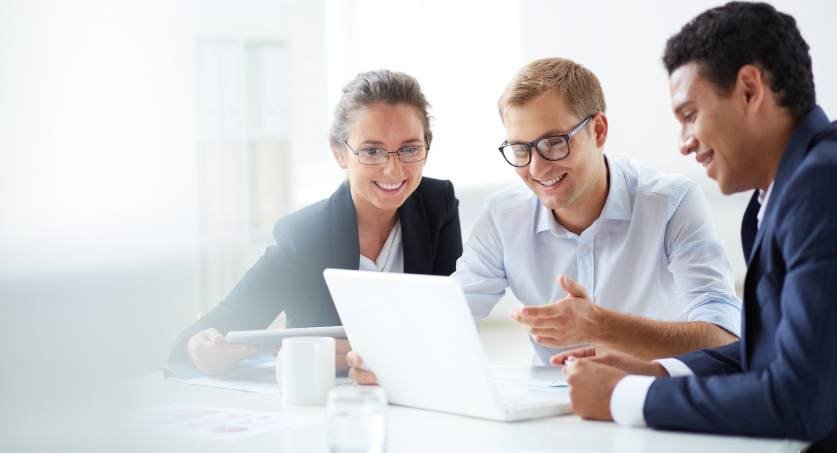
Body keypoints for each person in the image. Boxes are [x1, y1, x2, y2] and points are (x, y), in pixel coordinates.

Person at [347, 57, 741, 383]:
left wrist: (601, 326)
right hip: (554, 408)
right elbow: (451, 315)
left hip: (656, 402)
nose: (537, 167)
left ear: (599, 130)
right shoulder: (504, 216)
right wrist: (382, 359)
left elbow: (725, 339)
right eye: (520, 149)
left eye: (554, 142)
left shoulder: (670, 203)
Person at [556, 2, 837, 450]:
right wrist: (657, 370)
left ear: (749, 89)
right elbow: (771, 357)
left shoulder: (820, 185)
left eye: (689, 114)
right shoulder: (779, 193)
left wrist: (625, 397)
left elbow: (802, 399)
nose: (685, 144)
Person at [169, 69, 463, 376]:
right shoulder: (306, 235)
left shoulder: (436, 204)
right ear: (339, 153)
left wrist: (374, 350)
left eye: (409, 149)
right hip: (326, 404)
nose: (393, 169)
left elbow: (451, 323)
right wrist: (197, 347)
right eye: (372, 151)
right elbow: (227, 321)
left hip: (416, 394)